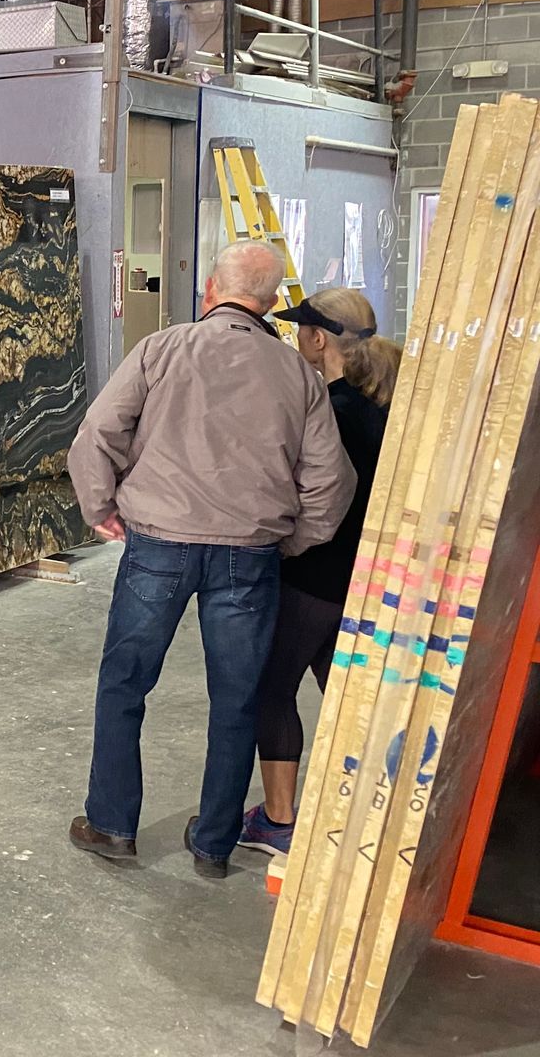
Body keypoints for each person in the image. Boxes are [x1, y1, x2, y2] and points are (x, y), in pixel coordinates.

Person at [67, 240, 354, 878]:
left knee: (124, 684)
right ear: (274, 303)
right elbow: (331, 483)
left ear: (209, 292)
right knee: (239, 697)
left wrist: (100, 508)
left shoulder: (161, 349)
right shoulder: (297, 376)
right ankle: (215, 844)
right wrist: (295, 539)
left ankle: (112, 824)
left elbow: (97, 435)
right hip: (249, 557)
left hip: (158, 547)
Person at [239, 289, 399, 857]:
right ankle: (362, 811)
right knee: (342, 694)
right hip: (366, 576)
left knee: (271, 689)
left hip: (316, 576)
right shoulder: (386, 404)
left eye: (299, 330)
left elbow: (309, 496)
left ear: (317, 338)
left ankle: (277, 821)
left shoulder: (328, 411)